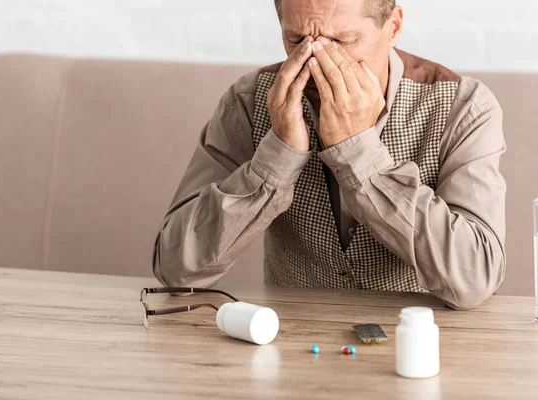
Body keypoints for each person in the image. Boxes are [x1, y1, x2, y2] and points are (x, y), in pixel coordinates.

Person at [153, 0, 507, 310]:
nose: (315, 60)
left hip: (424, 347)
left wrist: (358, 153)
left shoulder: (463, 107)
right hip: (292, 348)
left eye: (342, 41)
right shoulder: (248, 102)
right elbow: (177, 269)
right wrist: (277, 155)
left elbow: (474, 278)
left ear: (394, 26)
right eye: (295, 40)